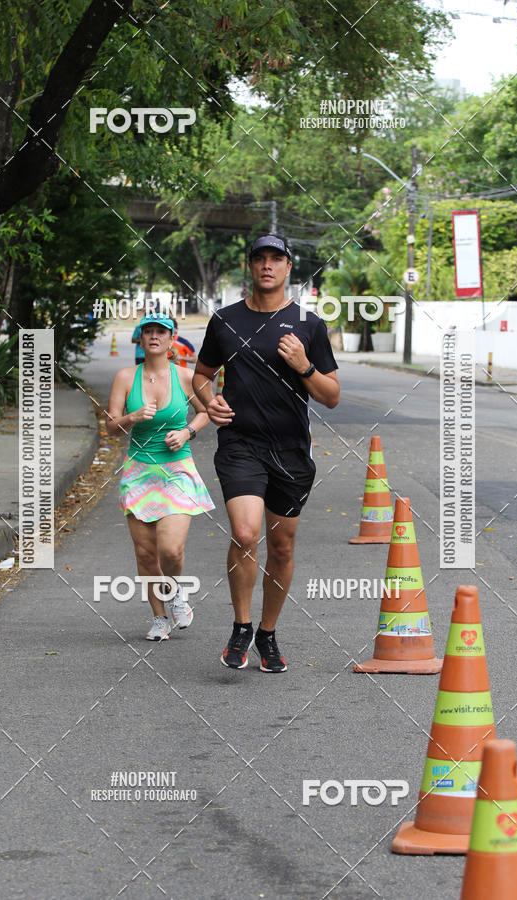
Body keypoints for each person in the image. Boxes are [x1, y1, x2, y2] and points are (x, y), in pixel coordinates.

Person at [192, 234, 340, 672]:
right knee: (244, 531)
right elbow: (202, 375)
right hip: (241, 445)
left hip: (291, 451)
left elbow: (331, 396)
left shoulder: (309, 325)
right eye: (260, 259)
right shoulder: (224, 320)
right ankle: (241, 626)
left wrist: (303, 366)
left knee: (282, 546)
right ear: (250, 267)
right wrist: (209, 402)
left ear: (288, 267)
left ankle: (268, 634)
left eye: (276, 258)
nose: (268, 266)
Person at [108, 312, 215, 641]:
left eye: (161, 332)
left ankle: (177, 593)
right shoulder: (126, 377)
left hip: (177, 471)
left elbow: (208, 411)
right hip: (139, 472)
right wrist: (133, 416)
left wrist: (186, 433)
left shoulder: (185, 377)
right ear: (140, 339)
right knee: (145, 553)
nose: (154, 336)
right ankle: (159, 618)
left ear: (172, 340)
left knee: (171, 550)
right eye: (148, 331)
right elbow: (111, 428)